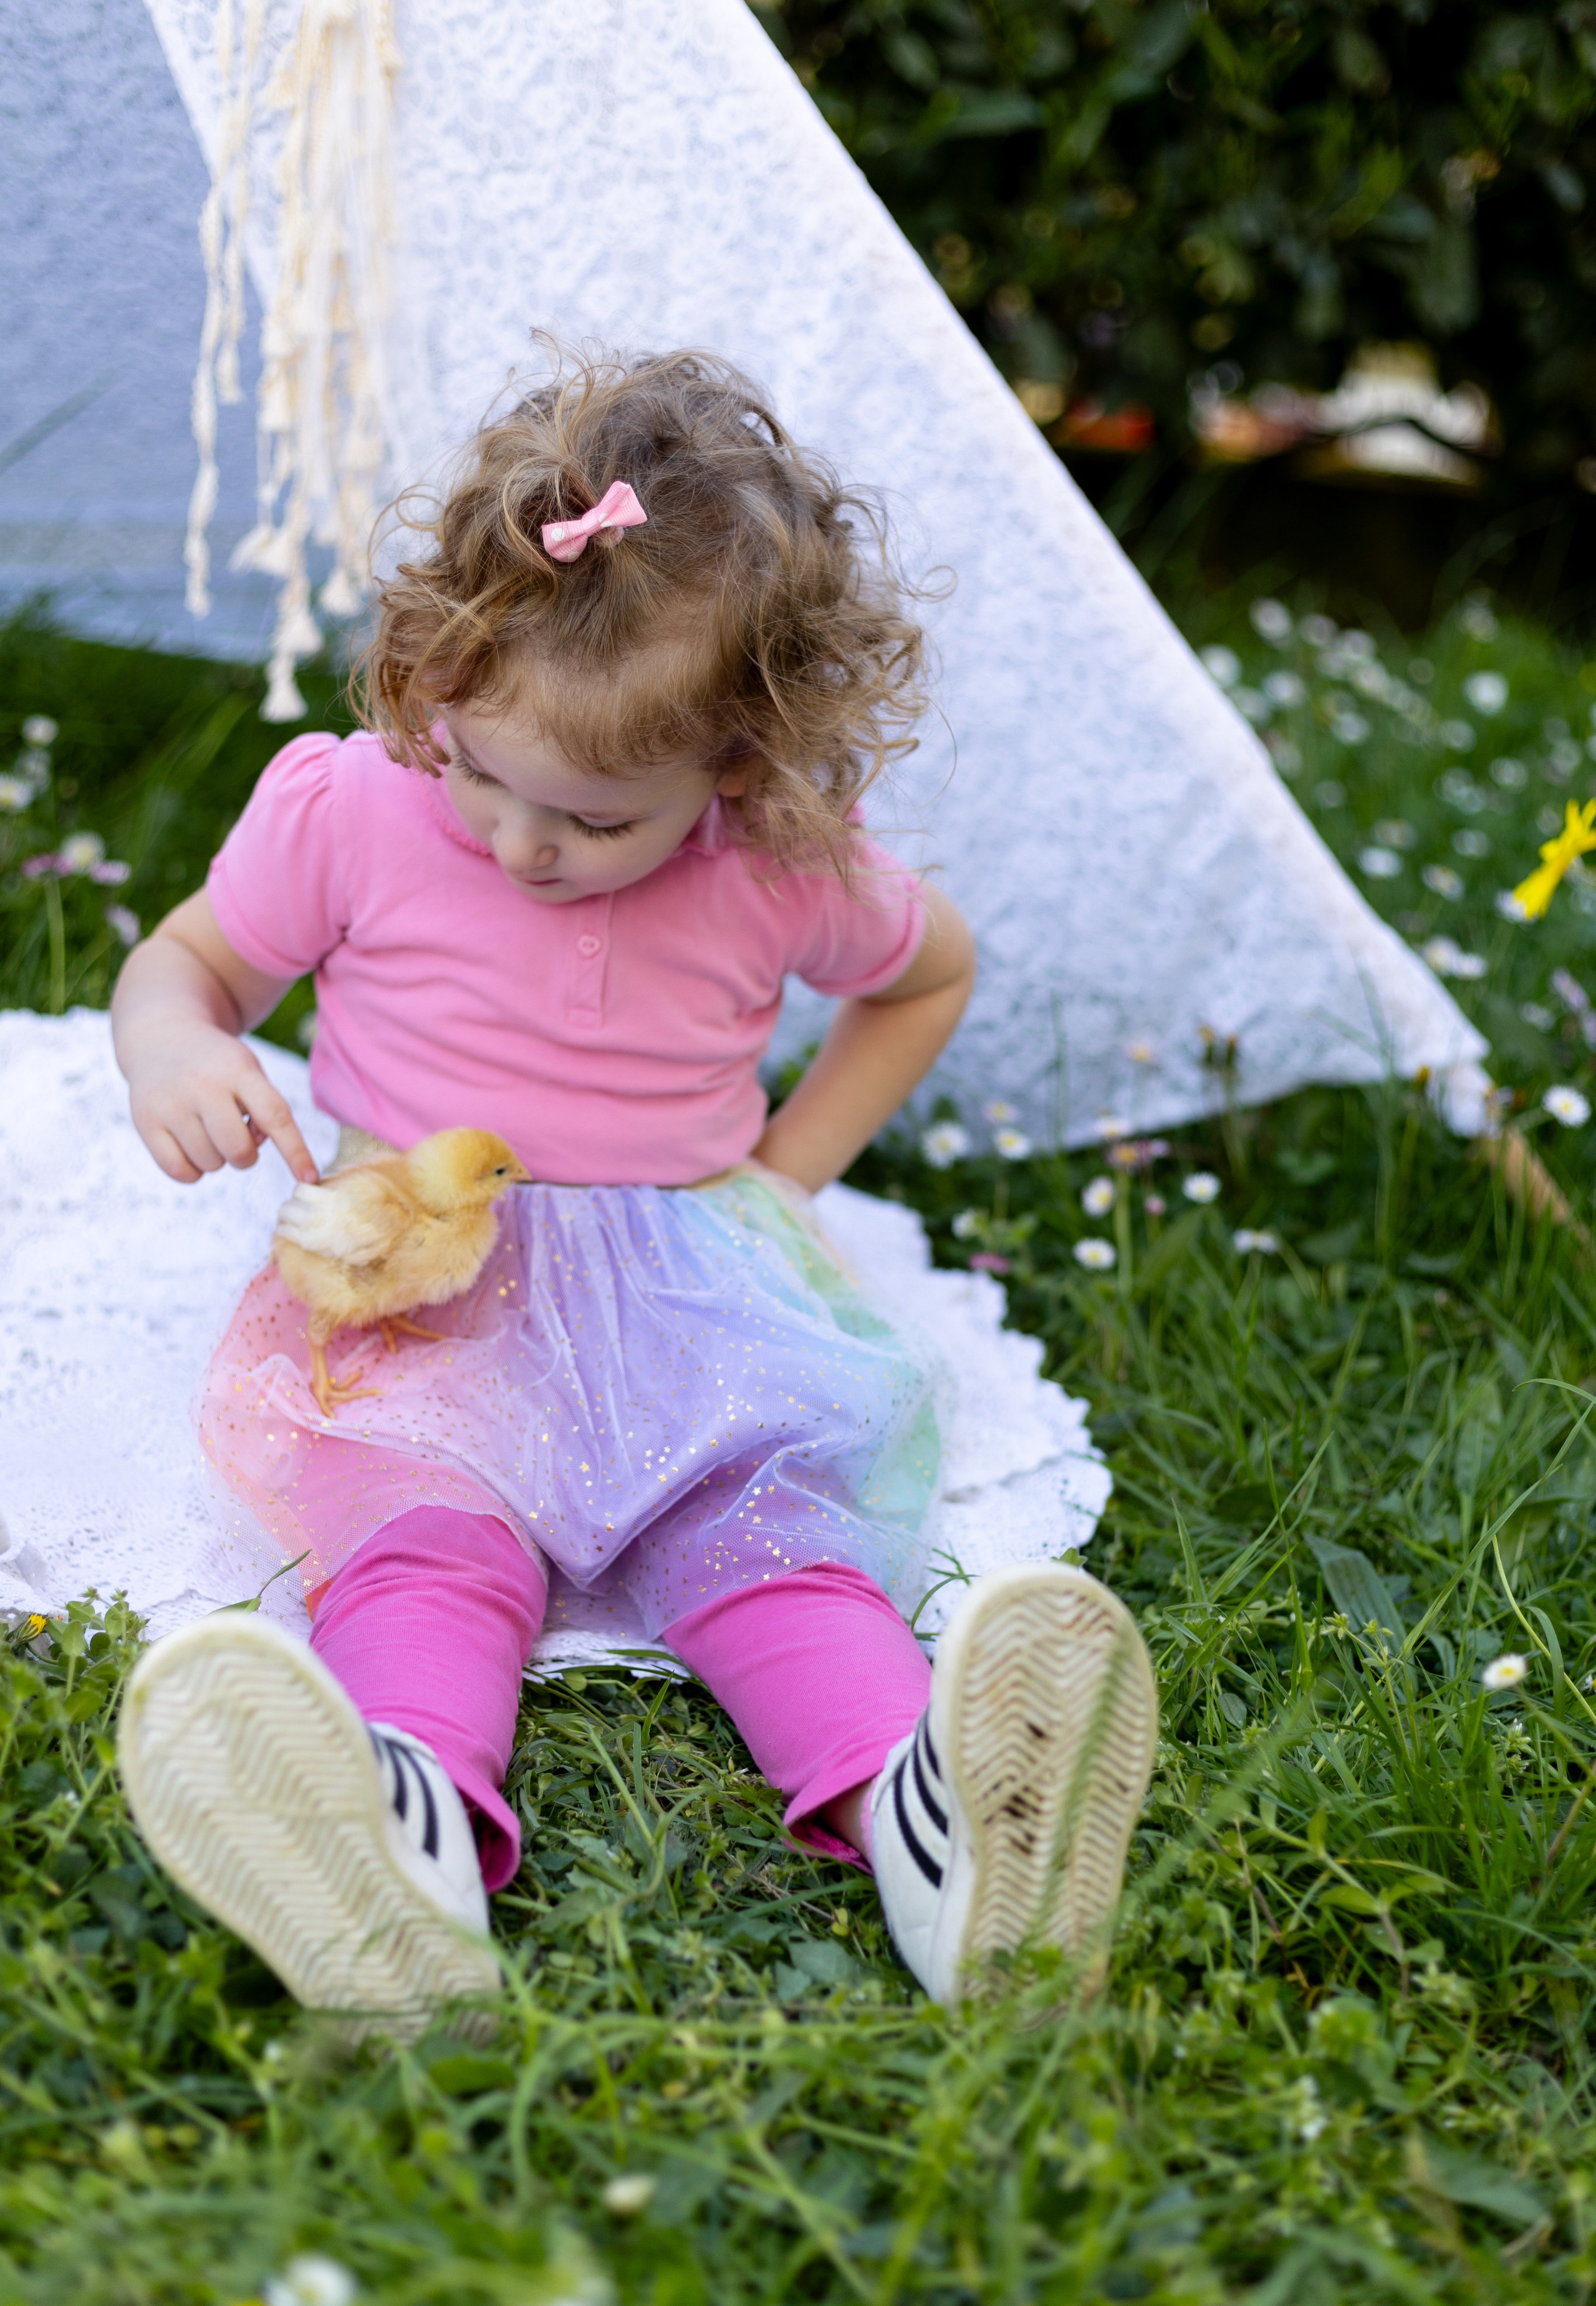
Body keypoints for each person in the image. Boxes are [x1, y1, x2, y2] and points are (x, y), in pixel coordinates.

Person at [110, 347, 1156, 2028]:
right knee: (423, 1541)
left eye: (594, 822)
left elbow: (928, 976)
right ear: (434, 672)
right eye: (481, 771)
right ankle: (408, 1841)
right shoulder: (357, 810)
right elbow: (191, 964)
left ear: (735, 767)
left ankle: (944, 1831)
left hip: (684, 1295)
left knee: (767, 1545)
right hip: (430, 1281)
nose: (523, 843)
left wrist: (789, 1173)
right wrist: (174, 1051)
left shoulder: (771, 864)